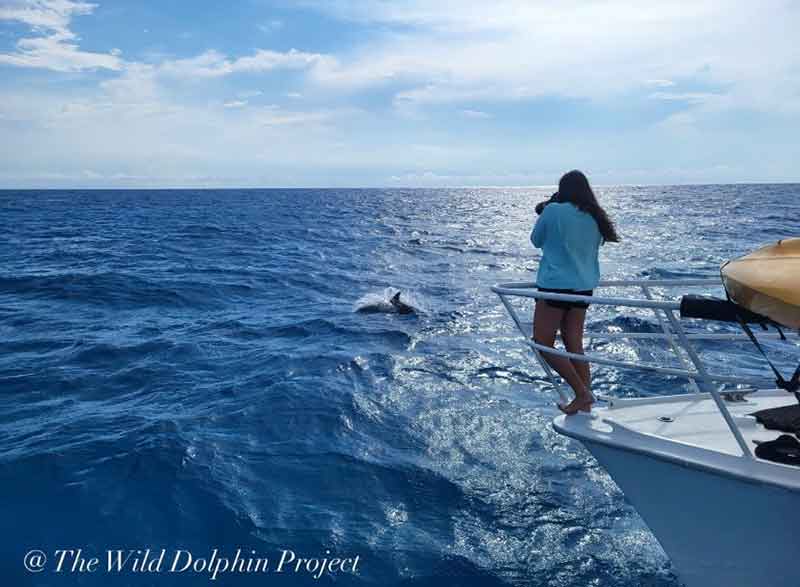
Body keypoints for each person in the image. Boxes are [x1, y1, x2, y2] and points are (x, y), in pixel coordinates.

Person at [530, 170, 619, 415]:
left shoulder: (553, 210)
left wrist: (549, 207)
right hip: (584, 287)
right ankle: (586, 401)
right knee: (574, 345)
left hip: (556, 287)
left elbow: (536, 240)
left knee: (542, 343)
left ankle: (581, 393)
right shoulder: (594, 216)